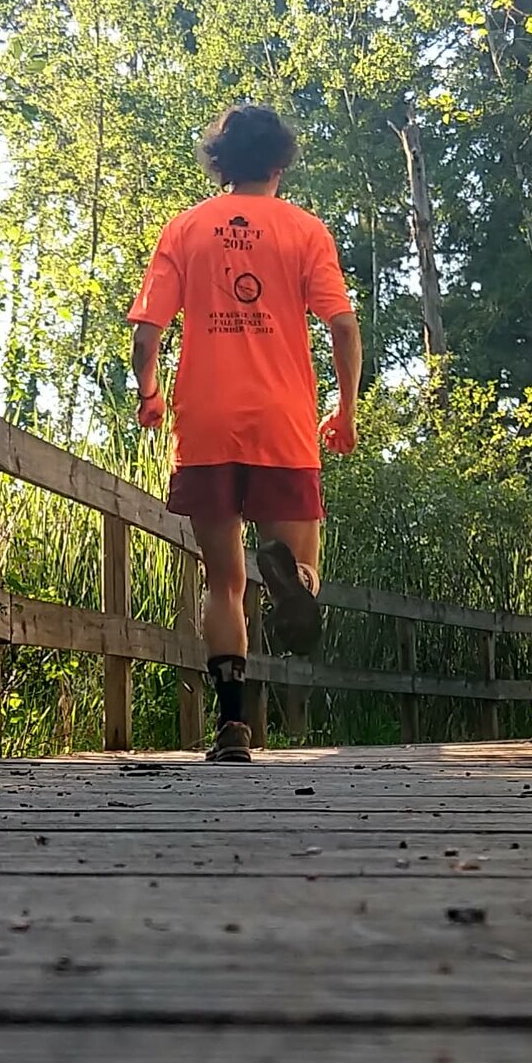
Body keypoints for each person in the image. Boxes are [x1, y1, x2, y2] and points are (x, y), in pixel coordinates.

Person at [128, 103, 363, 763]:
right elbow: (342, 328)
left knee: (222, 581)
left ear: (220, 162)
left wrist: (149, 393)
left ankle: (232, 724)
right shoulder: (304, 230)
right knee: (304, 558)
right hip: (282, 418)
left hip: (205, 420)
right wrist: (345, 409)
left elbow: (146, 335)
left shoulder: (186, 228)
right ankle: (298, 582)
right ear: (281, 163)